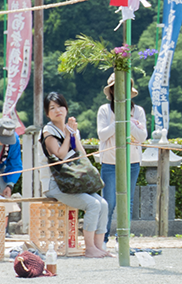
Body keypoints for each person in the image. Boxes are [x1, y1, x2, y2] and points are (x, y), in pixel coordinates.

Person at [41, 92, 112, 258]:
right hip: (56, 184)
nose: (58, 110)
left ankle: (98, 246)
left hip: (74, 182)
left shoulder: (72, 130)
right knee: (93, 205)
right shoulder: (47, 131)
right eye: (52, 108)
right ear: (47, 113)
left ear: (66, 108)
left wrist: (73, 134)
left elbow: (81, 154)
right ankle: (89, 248)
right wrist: (68, 135)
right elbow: (59, 154)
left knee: (103, 204)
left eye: (60, 106)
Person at [97, 73, 147, 243]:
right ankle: (103, 238)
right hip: (110, 162)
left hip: (132, 162)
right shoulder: (104, 110)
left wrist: (128, 122)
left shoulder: (138, 111)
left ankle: (122, 239)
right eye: (115, 89)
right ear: (111, 91)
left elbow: (142, 136)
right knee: (108, 202)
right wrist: (119, 121)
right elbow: (102, 135)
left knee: (128, 202)